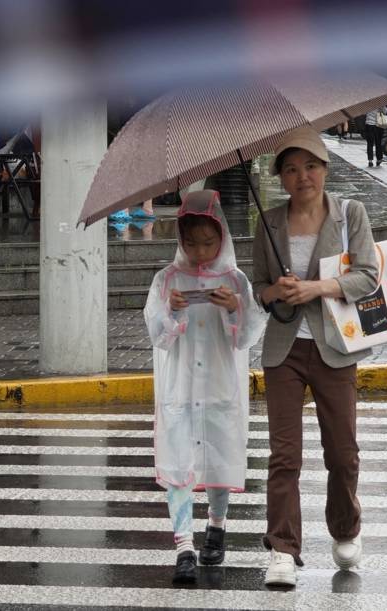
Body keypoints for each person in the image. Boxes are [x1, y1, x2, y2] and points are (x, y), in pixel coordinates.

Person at [251, 126, 378, 587]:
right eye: (290, 168)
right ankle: (283, 549)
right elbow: (257, 288)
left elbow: (367, 276)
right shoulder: (269, 222)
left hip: (335, 349)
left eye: (309, 166)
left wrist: (315, 288)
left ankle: (346, 529)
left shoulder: (350, 214)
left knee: (342, 453)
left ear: (324, 169)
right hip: (284, 349)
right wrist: (275, 291)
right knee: (284, 456)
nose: (301, 176)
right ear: (280, 177)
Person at [144, 189, 264, 584]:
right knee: (179, 463)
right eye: (191, 243)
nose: (199, 251)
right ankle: (184, 546)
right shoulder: (166, 279)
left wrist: (234, 307)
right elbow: (158, 337)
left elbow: (246, 337)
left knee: (218, 456)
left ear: (222, 239)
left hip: (218, 386)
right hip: (179, 388)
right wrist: (172, 312)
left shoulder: (235, 280)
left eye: (208, 243)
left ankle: (217, 524)